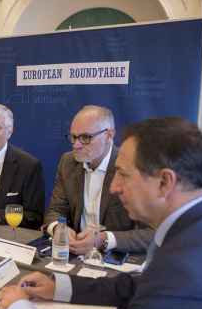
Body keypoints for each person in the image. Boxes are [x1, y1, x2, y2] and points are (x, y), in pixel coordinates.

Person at [0, 117, 202, 309]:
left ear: (164, 182)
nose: (115, 187)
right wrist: (60, 287)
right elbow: (140, 284)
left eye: (123, 175)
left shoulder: (183, 275)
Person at [45, 105, 152, 254]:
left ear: (109, 135)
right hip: (75, 253)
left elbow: (151, 233)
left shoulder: (132, 165)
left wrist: (104, 239)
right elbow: (55, 211)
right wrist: (59, 229)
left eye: (85, 138)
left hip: (116, 258)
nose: (76, 145)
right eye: (73, 137)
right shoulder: (68, 162)